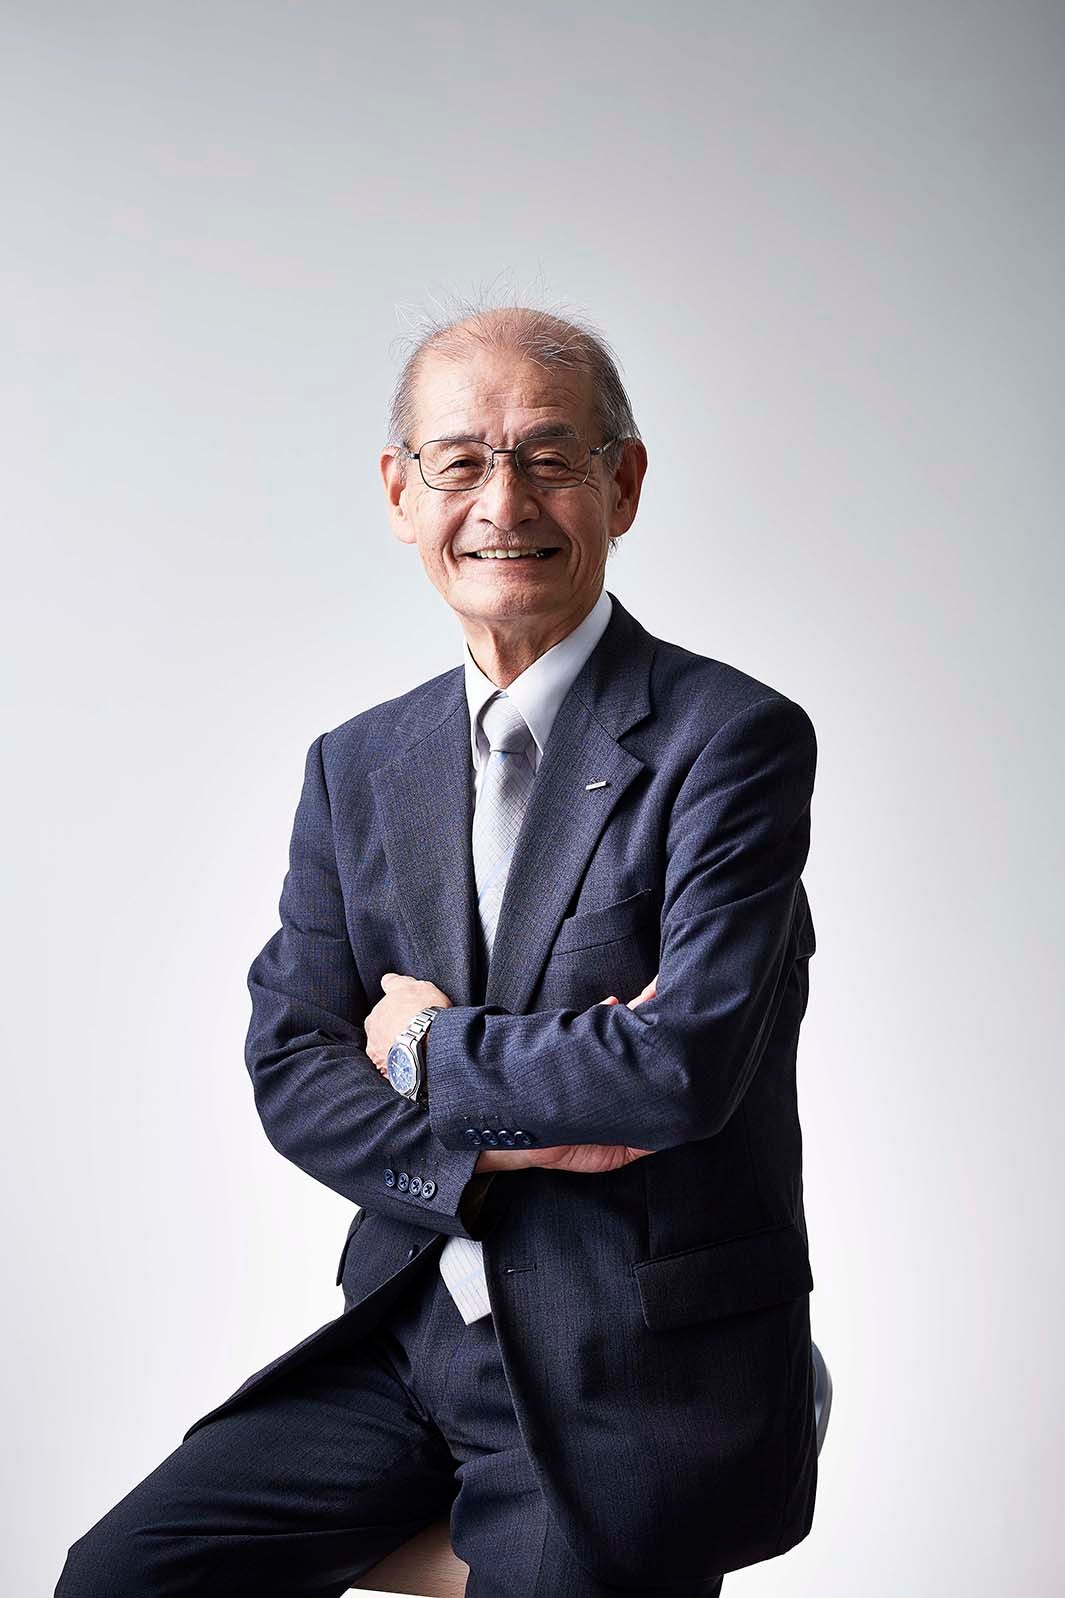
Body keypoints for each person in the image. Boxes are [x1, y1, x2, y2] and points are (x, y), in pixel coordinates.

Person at [55, 303, 820, 1596]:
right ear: (400, 494)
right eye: (460, 462)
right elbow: (292, 1065)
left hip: (634, 1373)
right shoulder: (358, 764)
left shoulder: (730, 739)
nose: (502, 503)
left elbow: (676, 1067)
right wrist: (499, 1144)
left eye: (550, 457)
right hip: (414, 1340)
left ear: (623, 484)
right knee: (122, 1576)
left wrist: (421, 1044)